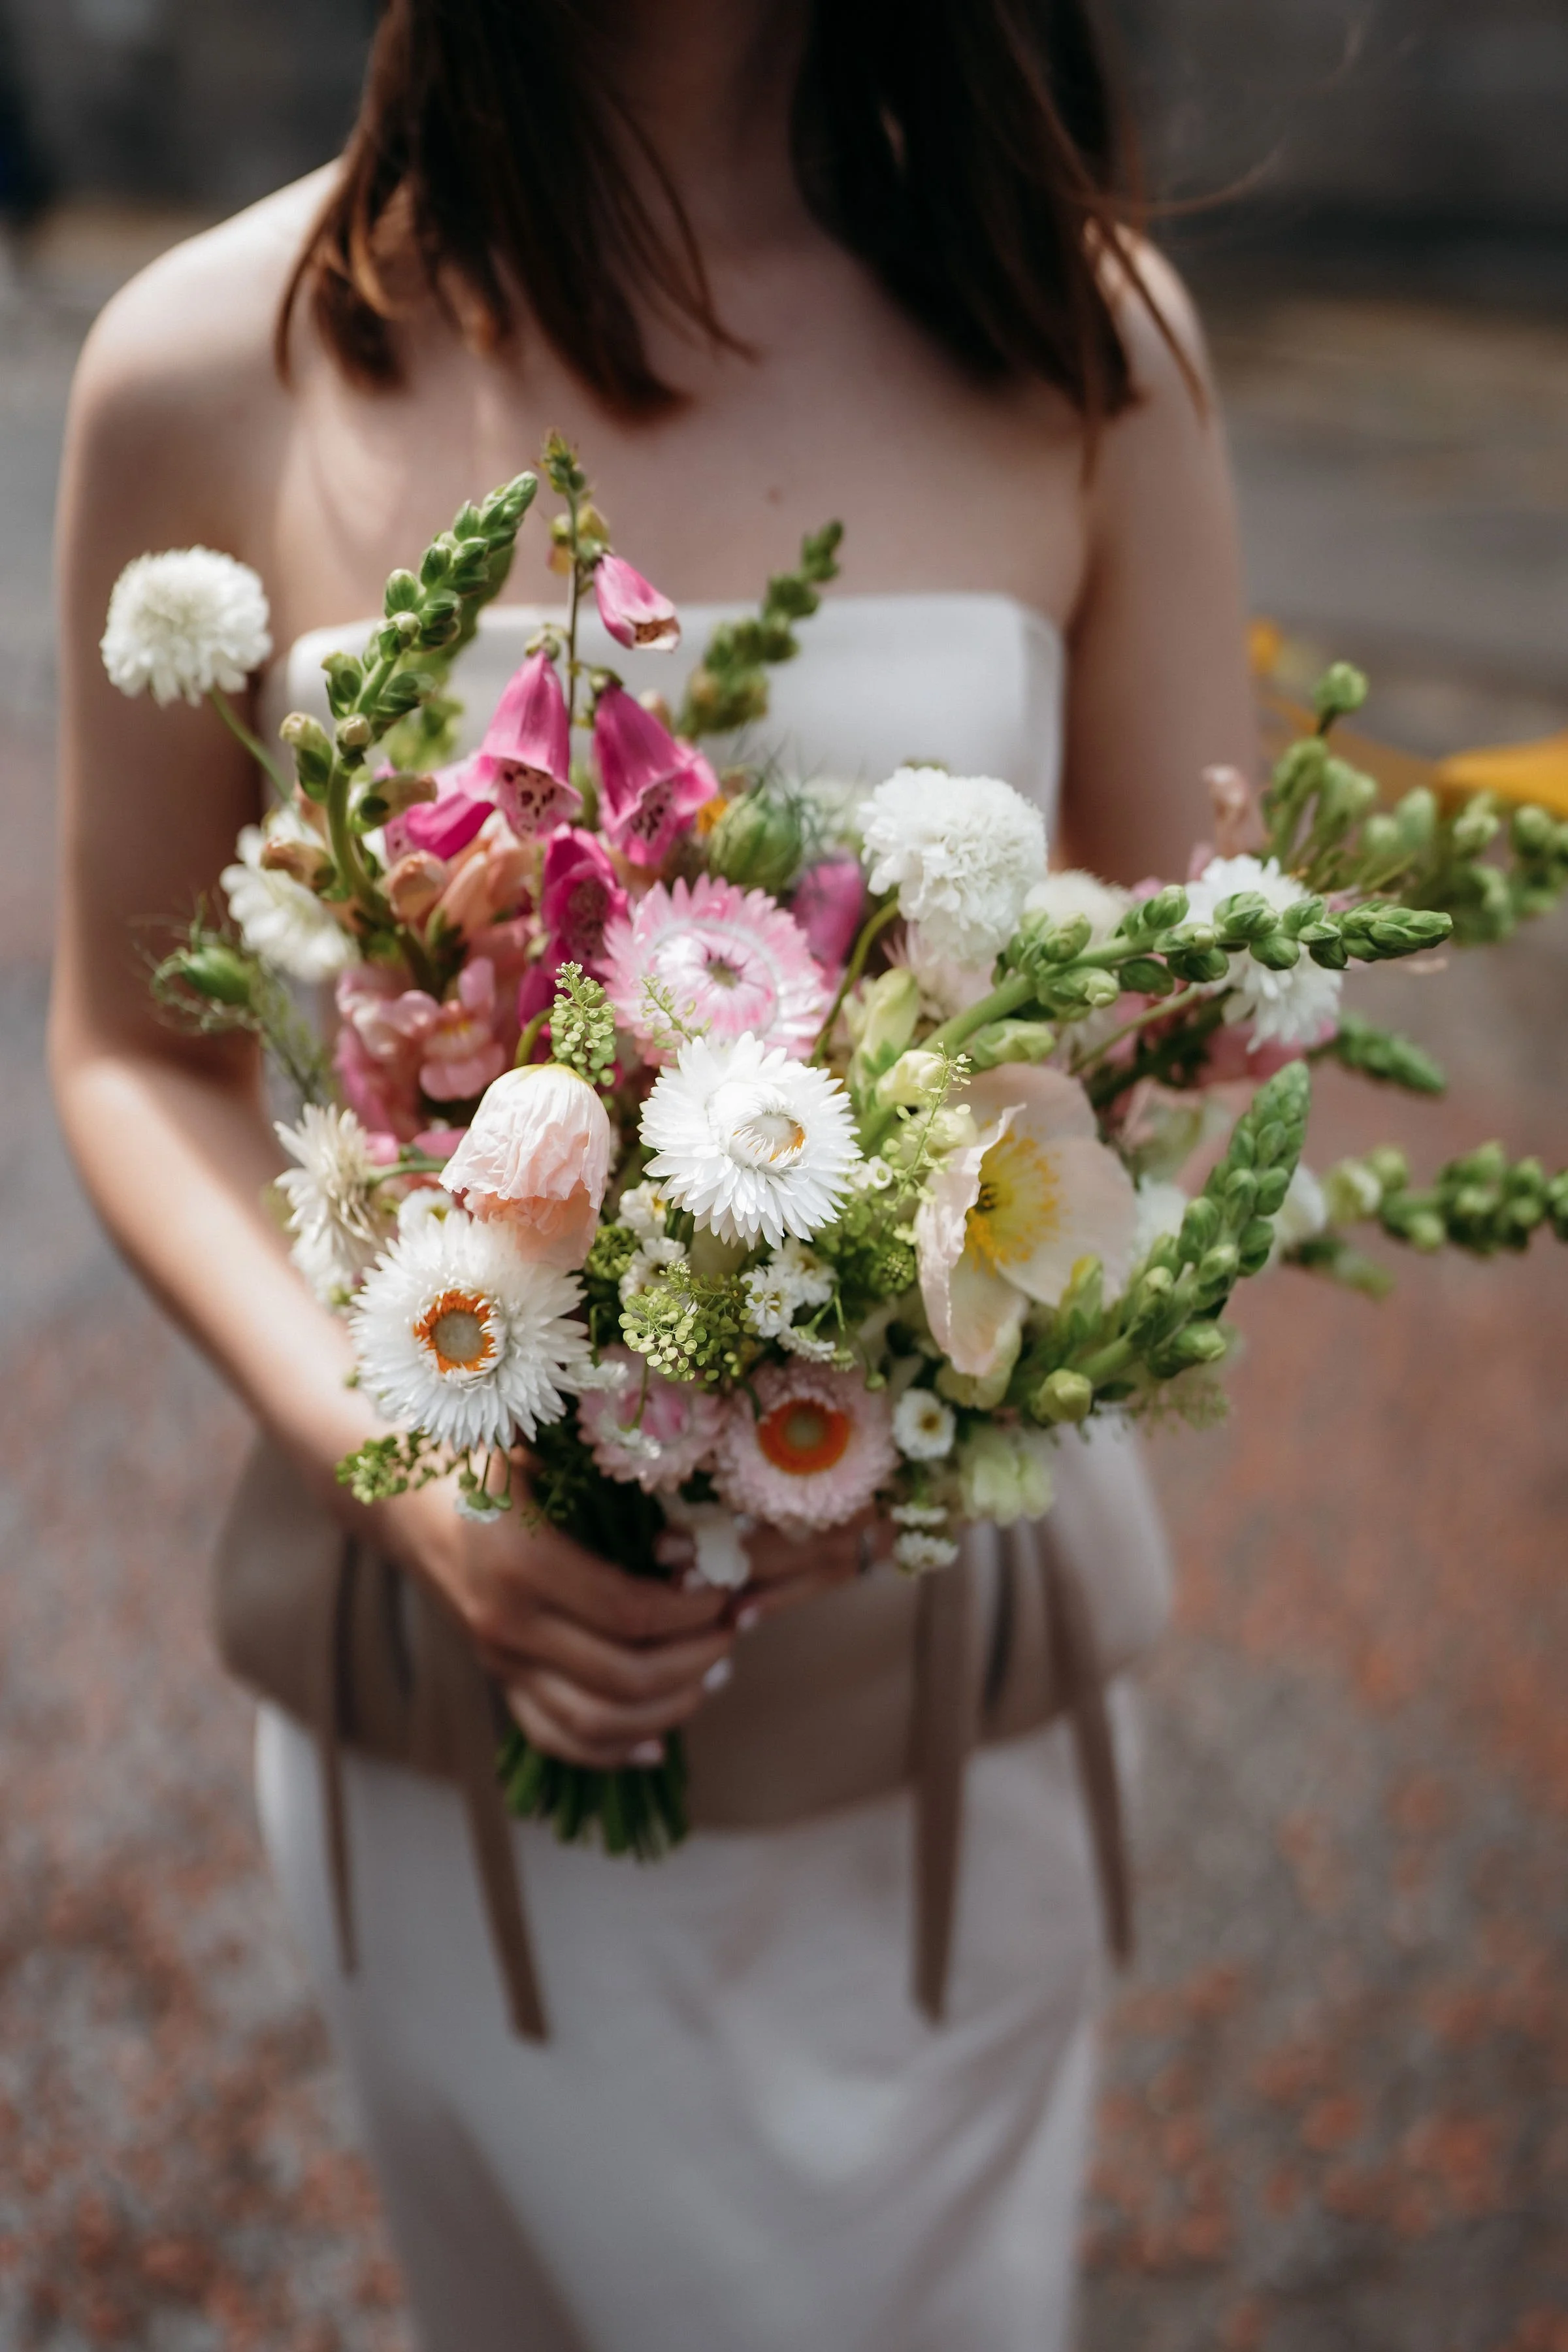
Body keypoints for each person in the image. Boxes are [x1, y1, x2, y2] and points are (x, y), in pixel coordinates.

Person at [50, 3, 1256, 2345]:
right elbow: (133, 1052)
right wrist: (422, 1463)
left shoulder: (1087, 341)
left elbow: (1185, 993)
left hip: (947, 1746)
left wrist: (908, 1374)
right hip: (464, 1747)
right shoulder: (212, 362)